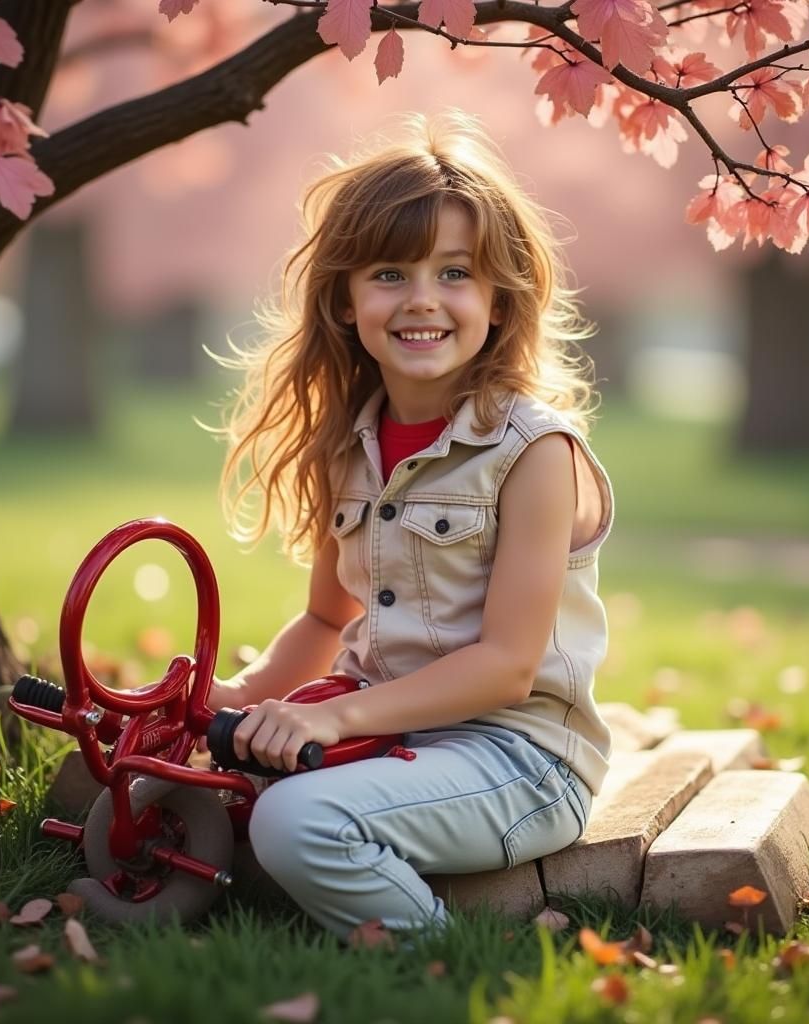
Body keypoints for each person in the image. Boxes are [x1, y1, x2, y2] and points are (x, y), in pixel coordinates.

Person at [204, 110, 614, 942]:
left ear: (498, 300)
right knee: (204, 779)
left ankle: (439, 960)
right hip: (389, 737)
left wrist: (332, 720)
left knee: (293, 821)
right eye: (390, 273)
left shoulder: (534, 453)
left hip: (517, 759)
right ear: (346, 300)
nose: (423, 300)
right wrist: (244, 699)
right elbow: (328, 618)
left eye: (455, 272)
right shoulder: (347, 440)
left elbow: (504, 668)